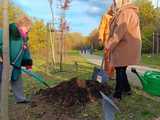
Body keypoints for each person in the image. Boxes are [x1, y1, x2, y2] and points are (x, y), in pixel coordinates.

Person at [105, 0, 142, 100]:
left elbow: (118, 33)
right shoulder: (126, 12)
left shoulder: (125, 13)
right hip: (126, 46)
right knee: (121, 69)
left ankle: (117, 95)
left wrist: (108, 45)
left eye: (116, 2)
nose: (114, 4)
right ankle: (127, 89)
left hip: (124, 46)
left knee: (120, 69)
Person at [0, 15, 33, 103]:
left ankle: (20, 99)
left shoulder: (24, 39)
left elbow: (26, 52)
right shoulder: (8, 32)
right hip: (4, 63)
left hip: (16, 64)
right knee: (2, 81)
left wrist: (28, 65)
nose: (28, 30)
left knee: (17, 81)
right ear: (21, 25)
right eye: (27, 27)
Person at [98, 5, 115, 80]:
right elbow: (101, 28)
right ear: (111, 8)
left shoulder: (118, 16)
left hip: (115, 39)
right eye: (114, 7)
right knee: (107, 58)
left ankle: (111, 75)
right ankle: (106, 75)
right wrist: (100, 38)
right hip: (107, 39)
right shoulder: (105, 16)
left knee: (114, 58)